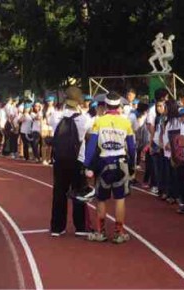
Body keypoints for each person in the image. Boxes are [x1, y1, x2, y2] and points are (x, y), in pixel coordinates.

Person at [83, 92, 136, 244]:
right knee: (120, 199)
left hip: (103, 164)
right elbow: (132, 147)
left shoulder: (99, 122)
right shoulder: (125, 123)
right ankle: (118, 233)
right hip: (121, 163)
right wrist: (132, 165)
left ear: (105, 105)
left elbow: (92, 145)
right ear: (119, 106)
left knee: (101, 199)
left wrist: (87, 165)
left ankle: (101, 232)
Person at [49, 86, 90, 237]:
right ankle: (80, 227)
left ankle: (57, 227)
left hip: (59, 160)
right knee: (79, 192)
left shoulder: (55, 117)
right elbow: (88, 136)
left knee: (59, 192)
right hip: (77, 159)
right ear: (78, 102)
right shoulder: (84, 119)